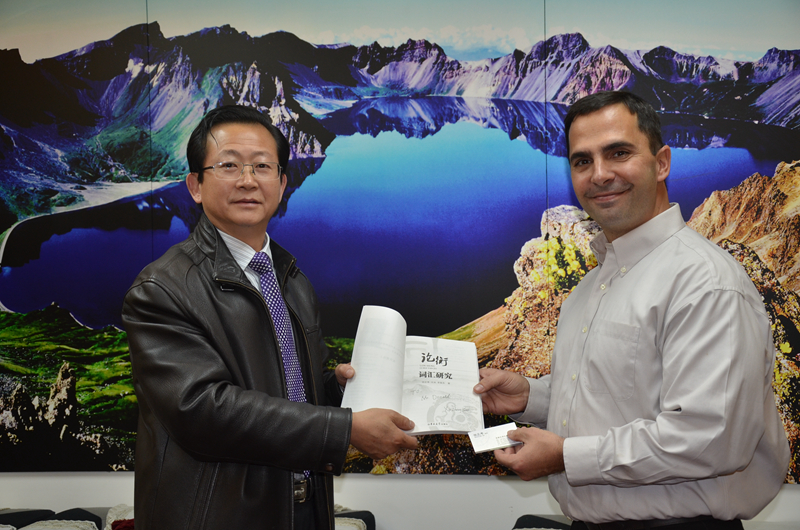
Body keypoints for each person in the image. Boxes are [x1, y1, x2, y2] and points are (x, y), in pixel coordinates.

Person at [474, 91, 790, 529]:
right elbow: (618, 396)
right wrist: (530, 397)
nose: (600, 174)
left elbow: (710, 440)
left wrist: (565, 456)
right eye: (582, 161)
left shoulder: (704, 283)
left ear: (661, 163)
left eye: (618, 153)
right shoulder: (592, 286)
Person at [122, 104, 418, 530]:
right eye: (229, 165)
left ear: (281, 184)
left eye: (262, 166)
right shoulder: (161, 289)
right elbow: (203, 412)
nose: (248, 180)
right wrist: (343, 429)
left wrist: (336, 389)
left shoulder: (291, 279)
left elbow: (292, 389)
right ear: (196, 186)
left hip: (303, 510)